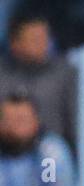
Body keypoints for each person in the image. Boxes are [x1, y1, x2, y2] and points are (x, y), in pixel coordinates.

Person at [0, 9, 77, 148]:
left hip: (48, 152)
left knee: (51, 160)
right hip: (4, 154)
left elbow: (75, 124)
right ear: (14, 43)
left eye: (44, 38)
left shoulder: (65, 75)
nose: (42, 44)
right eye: (34, 39)